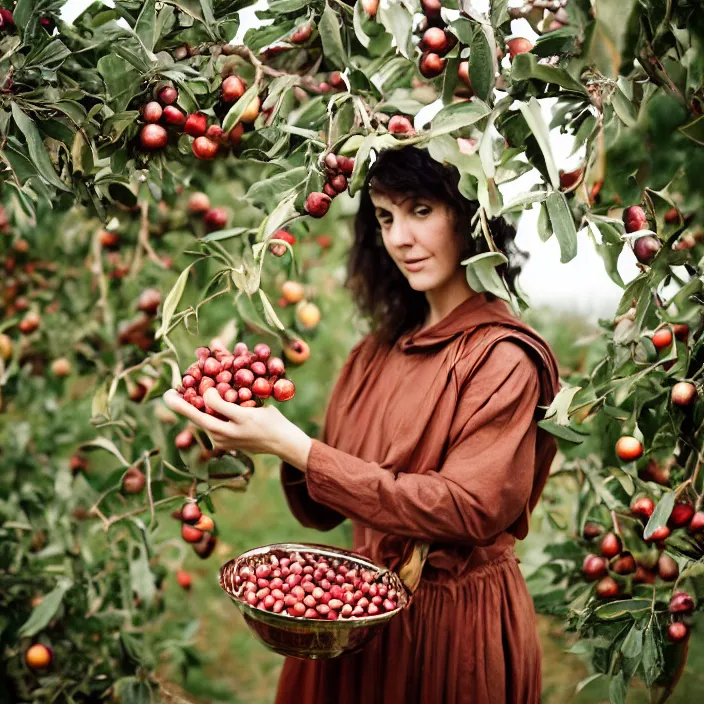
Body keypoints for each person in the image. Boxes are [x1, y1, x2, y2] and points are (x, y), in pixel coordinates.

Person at [164, 146, 561, 704]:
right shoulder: (373, 353)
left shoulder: (502, 358)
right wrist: (258, 434)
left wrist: (298, 449)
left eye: (421, 210)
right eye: (385, 216)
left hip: (449, 635)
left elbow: (467, 508)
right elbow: (331, 504)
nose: (399, 238)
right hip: (351, 620)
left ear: (473, 214)